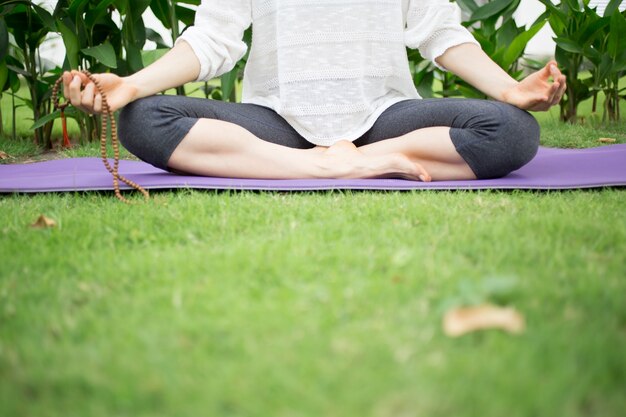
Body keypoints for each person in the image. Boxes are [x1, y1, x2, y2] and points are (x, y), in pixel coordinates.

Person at [62, 0, 566, 182]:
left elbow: (439, 31)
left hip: (382, 118)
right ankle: (332, 165)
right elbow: (214, 38)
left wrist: (509, 89)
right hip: (276, 125)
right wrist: (129, 86)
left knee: (513, 131)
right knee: (141, 119)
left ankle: (366, 155)